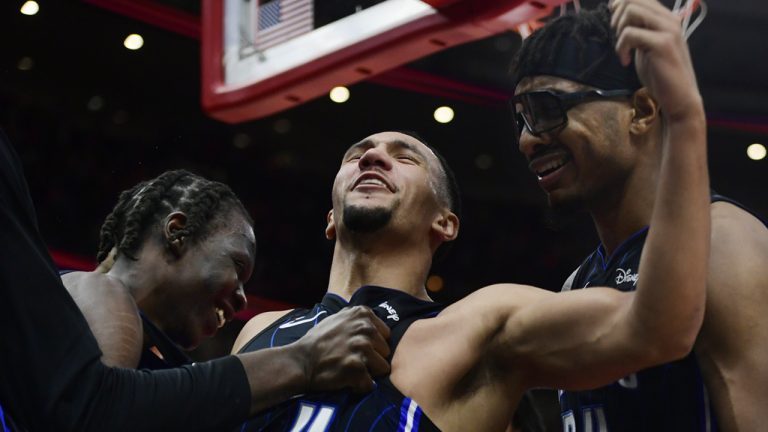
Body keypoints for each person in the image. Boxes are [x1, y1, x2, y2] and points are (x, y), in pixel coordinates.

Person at [233, 6, 710, 424]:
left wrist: (684, 116)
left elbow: (659, 328)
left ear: (445, 222)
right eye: (357, 154)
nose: (372, 158)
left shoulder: (483, 324)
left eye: (405, 157)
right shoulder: (258, 332)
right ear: (330, 218)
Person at [0, 132, 391, 431]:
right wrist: (303, 360)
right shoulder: (102, 290)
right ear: (177, 232)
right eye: (237, 267)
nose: (241, 298)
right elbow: (98, 415)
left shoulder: (138, 348)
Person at [511, 1, 768, 430]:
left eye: (547, 109)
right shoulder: (577, 283)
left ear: (644, 111)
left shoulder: (726, 246)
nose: (526, 140)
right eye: (520, 118)